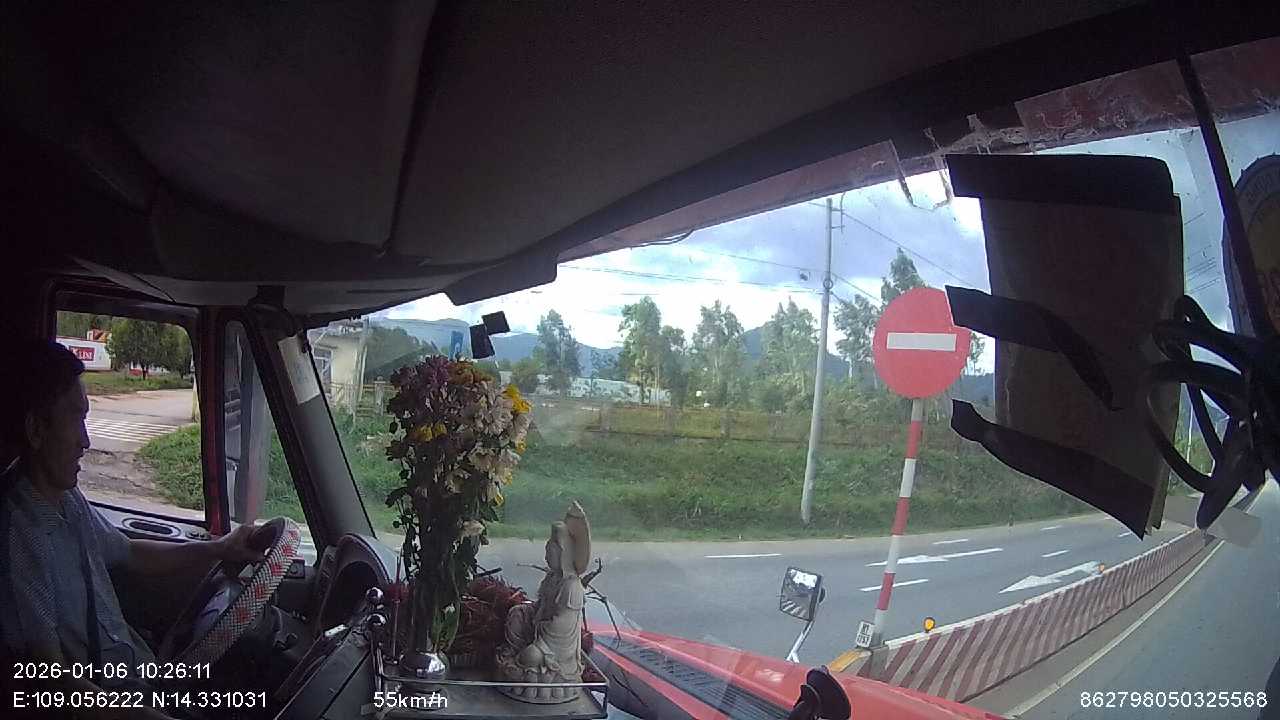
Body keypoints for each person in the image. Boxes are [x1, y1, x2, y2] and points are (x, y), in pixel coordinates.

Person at [0, 338, 263, 718]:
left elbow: (128, 552)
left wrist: (217, 548)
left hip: (141, 677)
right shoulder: (17, 538)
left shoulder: (67, 498)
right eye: (75, 420)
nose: (86, 441)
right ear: (36, 430)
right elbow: (50, 681)